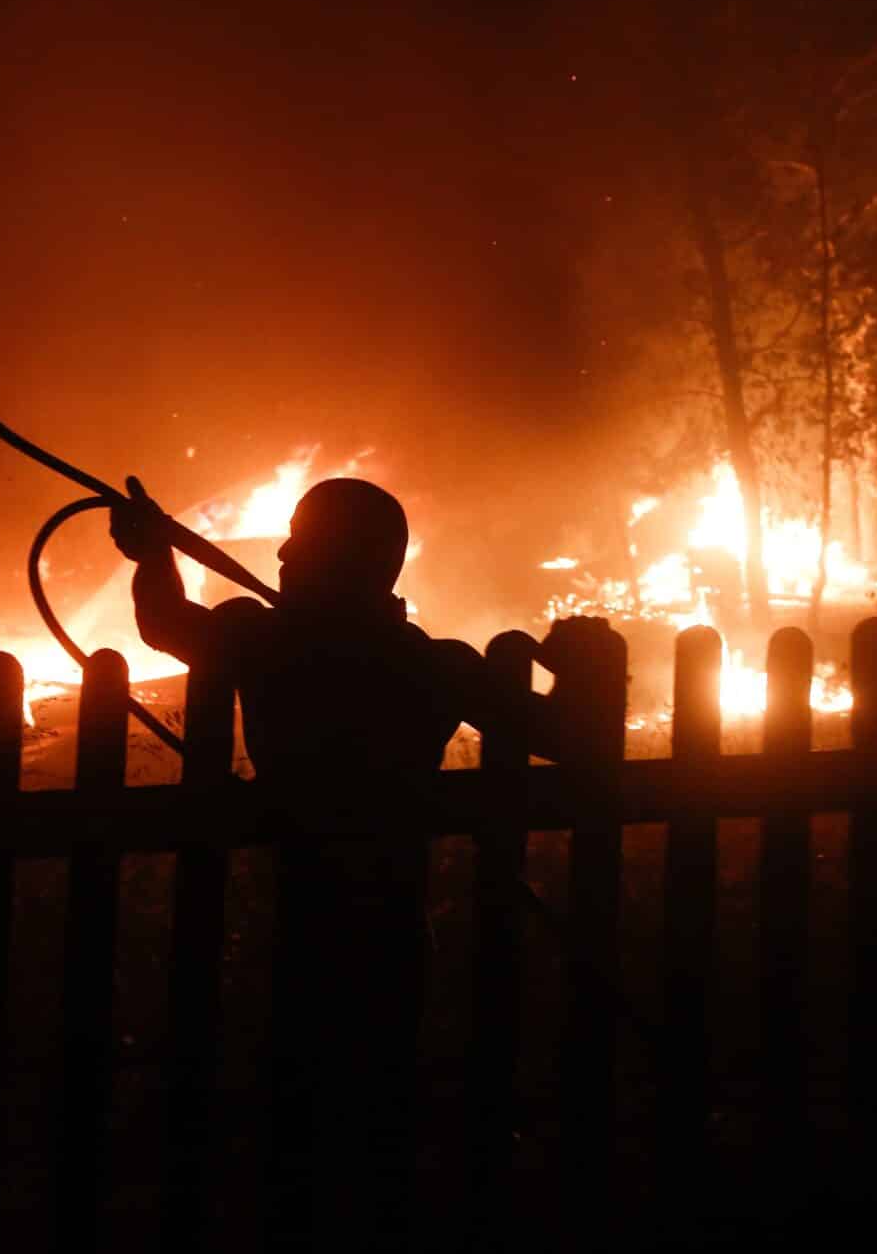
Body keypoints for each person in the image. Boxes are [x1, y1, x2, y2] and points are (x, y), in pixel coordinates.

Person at [109, 474, 614, 1247]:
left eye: (302, 540)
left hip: (301, 913)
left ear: (344, 558)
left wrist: (152, 556)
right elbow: (569, 737)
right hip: (390, 912)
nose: (279, 551)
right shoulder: (429, 664)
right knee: (381, 1085)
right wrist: (589, 664)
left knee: (298, 1086)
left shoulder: (261, 638)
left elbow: (166, 622)